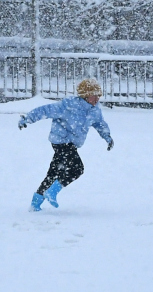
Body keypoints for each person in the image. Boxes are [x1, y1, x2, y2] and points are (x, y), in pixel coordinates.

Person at [18, 78, 114, 212]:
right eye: (94, 95)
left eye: (99, 95)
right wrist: (27, 119)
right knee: (77, 169)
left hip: (72, 144)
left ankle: (36, 203)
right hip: (61, 141)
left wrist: (107, 137)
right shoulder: (69, 105)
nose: (97, 98)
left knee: (54, 172)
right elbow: (45, 110)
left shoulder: (94, 110)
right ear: (85, 95)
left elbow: (100, 123)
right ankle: (52, 193)